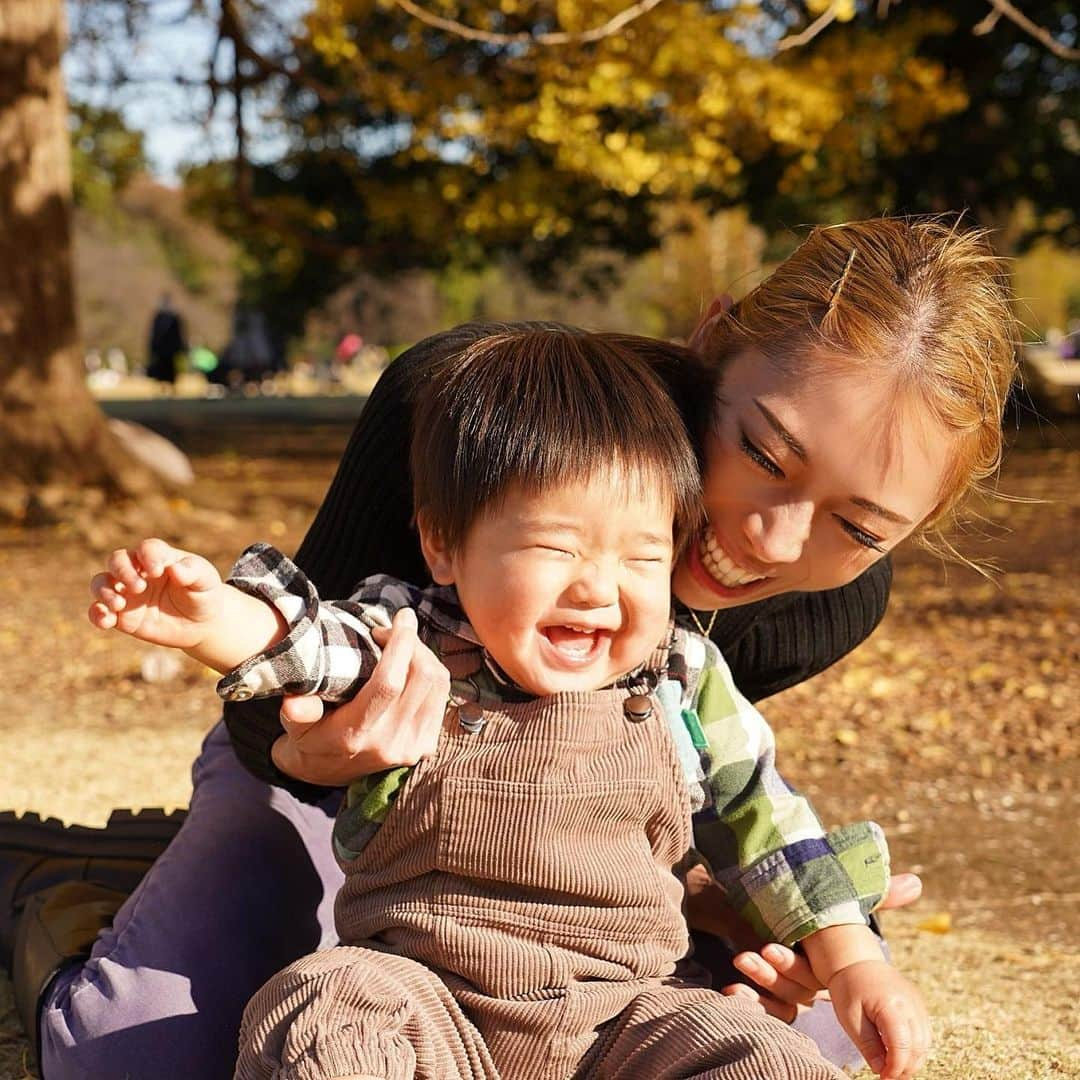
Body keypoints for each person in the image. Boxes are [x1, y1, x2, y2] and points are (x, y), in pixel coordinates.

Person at [1, 216, 1018, 1079]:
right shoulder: (479, 412)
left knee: (778, 1037)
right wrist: (310, 746)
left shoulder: (818, 608)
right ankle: (68, 889)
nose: (774, 537)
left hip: (592, 921)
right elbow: (302, 648)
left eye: (862, 525)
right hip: (352, 790)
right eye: (763, 453)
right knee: (143, 1053)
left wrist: (811, 934)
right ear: (713, 341)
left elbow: (708, 785)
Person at [146, 294, 187, 389]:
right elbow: (154, 334)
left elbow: (179, 334)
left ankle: (171, 386)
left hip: (170, 350)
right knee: (161, 368)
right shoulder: (158, 317)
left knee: (170, 368)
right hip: (161, 350)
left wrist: (179, 347)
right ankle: (162, 386)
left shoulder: (174, 317)